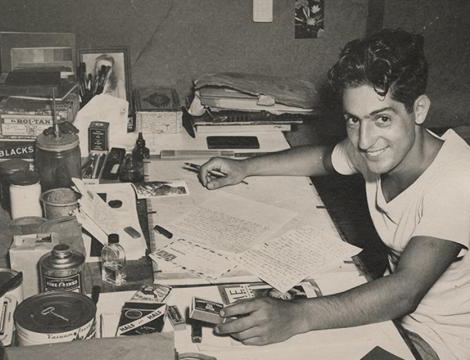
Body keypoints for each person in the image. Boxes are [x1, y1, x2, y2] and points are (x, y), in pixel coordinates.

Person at [198, 29, 470, 360]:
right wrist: (246, 167)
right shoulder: (378, 148)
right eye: (353, 121)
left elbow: (405, 291)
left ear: (420, 109)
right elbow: (323, 158)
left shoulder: (459, 179)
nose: (366, 140)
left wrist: (297, 316)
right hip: (387, 313)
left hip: (439, 342)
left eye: (382, 118)